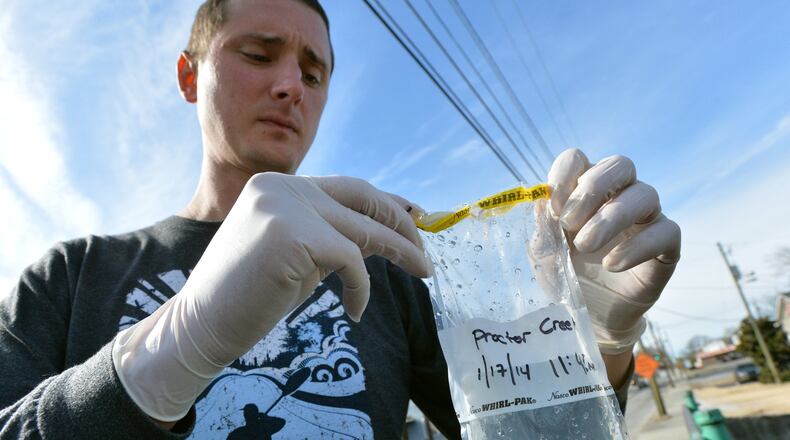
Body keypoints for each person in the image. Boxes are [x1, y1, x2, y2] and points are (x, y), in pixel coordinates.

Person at [0, 0, 681, 438]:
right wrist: (161, 356)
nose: (291, 84)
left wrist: (589, 349)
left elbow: (541, 435)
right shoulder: (68, 277)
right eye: (258, 54)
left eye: (314, 72)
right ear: (189, 75)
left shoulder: (385, 269)